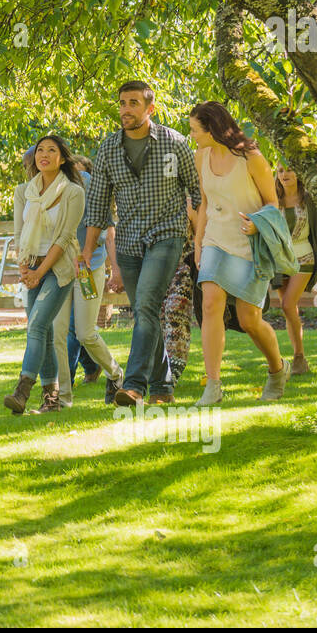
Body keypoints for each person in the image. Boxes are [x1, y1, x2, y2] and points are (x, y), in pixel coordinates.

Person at [84, 81, 203, 406]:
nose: (125, 109)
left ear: (150, 108)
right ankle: (163, 390)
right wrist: (87, 249)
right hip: (128, 242)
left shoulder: (174, 144)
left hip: (167, 236)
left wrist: (198, 237)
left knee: (147, 306)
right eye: (122, 102)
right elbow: (97, 205)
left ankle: (134, 385)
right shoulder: (109, 148)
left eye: (133, 103)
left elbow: (196, 191)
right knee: (144, 311)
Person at [189, 101, 292, 405]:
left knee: (249, 320)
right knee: (210, 304)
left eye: (195, 129)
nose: (192, 135)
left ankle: (277, 369)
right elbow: (205, 202)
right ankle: (213, 386)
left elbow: (273, 203)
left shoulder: (251, 158)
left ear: (213, 129)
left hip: (249, 245)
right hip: (214, 239)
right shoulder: (201, 156)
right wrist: (199, 241)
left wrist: (258, 226)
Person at [3, 135, 85, 414]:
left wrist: (39, 272)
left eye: (52, 150)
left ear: (62, 158)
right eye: (40, 150)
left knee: (36, 326)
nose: (44, 155)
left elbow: (64, 239)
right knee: (45, 332)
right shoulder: (23, 191)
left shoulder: (73, 192)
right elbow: (18, 233)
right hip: (31, 266)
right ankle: (51, 399)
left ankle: (22, 391)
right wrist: (24, 268)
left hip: (58, 269)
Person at [53, 152, 124, 407]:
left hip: (87, 267)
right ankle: (62, 398)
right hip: (59, 268)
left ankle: (115, 374)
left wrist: (114, 269)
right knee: (58, 333)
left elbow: (107, 227)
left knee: (85, 333)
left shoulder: (86, 182)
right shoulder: (39, 189)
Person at [274, 165, 317, 375]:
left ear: (298, 173)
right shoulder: (273, 199)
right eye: (280, 171)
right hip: (280, 259)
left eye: (289, 170)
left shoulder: (309, 200)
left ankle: (298, 357)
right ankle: (299, 357)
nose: (285, 175)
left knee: (288, 305)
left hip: (304, 256)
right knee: (289, 308)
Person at [159, 196, 198, 391]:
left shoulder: (188, 204)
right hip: (157, 266)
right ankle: (160, 366)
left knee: (175, 312)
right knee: (159, 315)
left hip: (184, 266)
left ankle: (174, 368)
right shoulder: (151, 203)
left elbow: (200, 234)